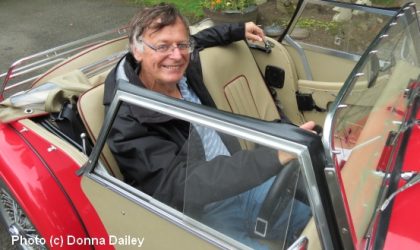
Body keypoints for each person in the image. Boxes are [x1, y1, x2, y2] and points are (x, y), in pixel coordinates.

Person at [103, 3, 313, 249]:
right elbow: (180, 185)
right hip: (197, 211)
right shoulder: (126, 115)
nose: (177, 55)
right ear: (137, 51)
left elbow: (198, 40)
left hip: (240, 183)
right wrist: (273, 157)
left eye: (182, 45)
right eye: (162, 46)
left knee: (317, 223)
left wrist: (238, 29)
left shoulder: (181, 65)